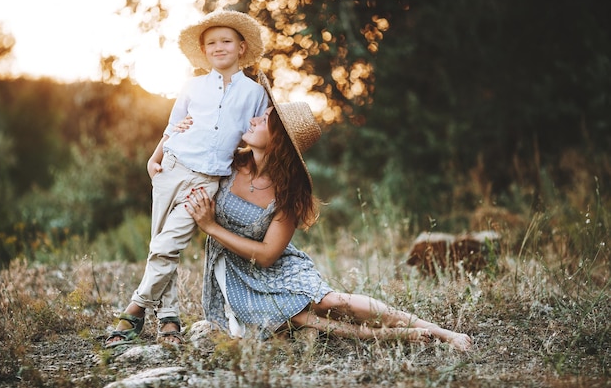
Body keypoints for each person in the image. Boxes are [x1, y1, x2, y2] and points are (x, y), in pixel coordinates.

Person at [183, 71, 473, 351]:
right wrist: (168, 145)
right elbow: (184, 150)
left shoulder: (289, 192)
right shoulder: (227, 164)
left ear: (279, 139)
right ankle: (385, 337)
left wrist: (211, 227)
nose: (255, 119)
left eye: (265, 118)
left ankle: (441, 332)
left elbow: (269, 255)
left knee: (330, 303)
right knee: (295, 316)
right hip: (234, 270)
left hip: (278, 269)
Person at [104, 10, 269, 347]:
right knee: (159, 247)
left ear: (241, 48)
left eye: (226, 41)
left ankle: (133, 311)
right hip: (172, 169)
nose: (218, 47)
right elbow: (173, 126)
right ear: (204, 51)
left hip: (206, 181)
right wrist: (154, 158)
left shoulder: (254, 93)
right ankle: (169, 318)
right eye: (211, 43)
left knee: (169, 244)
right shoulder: (192, 86)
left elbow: (257, 136)